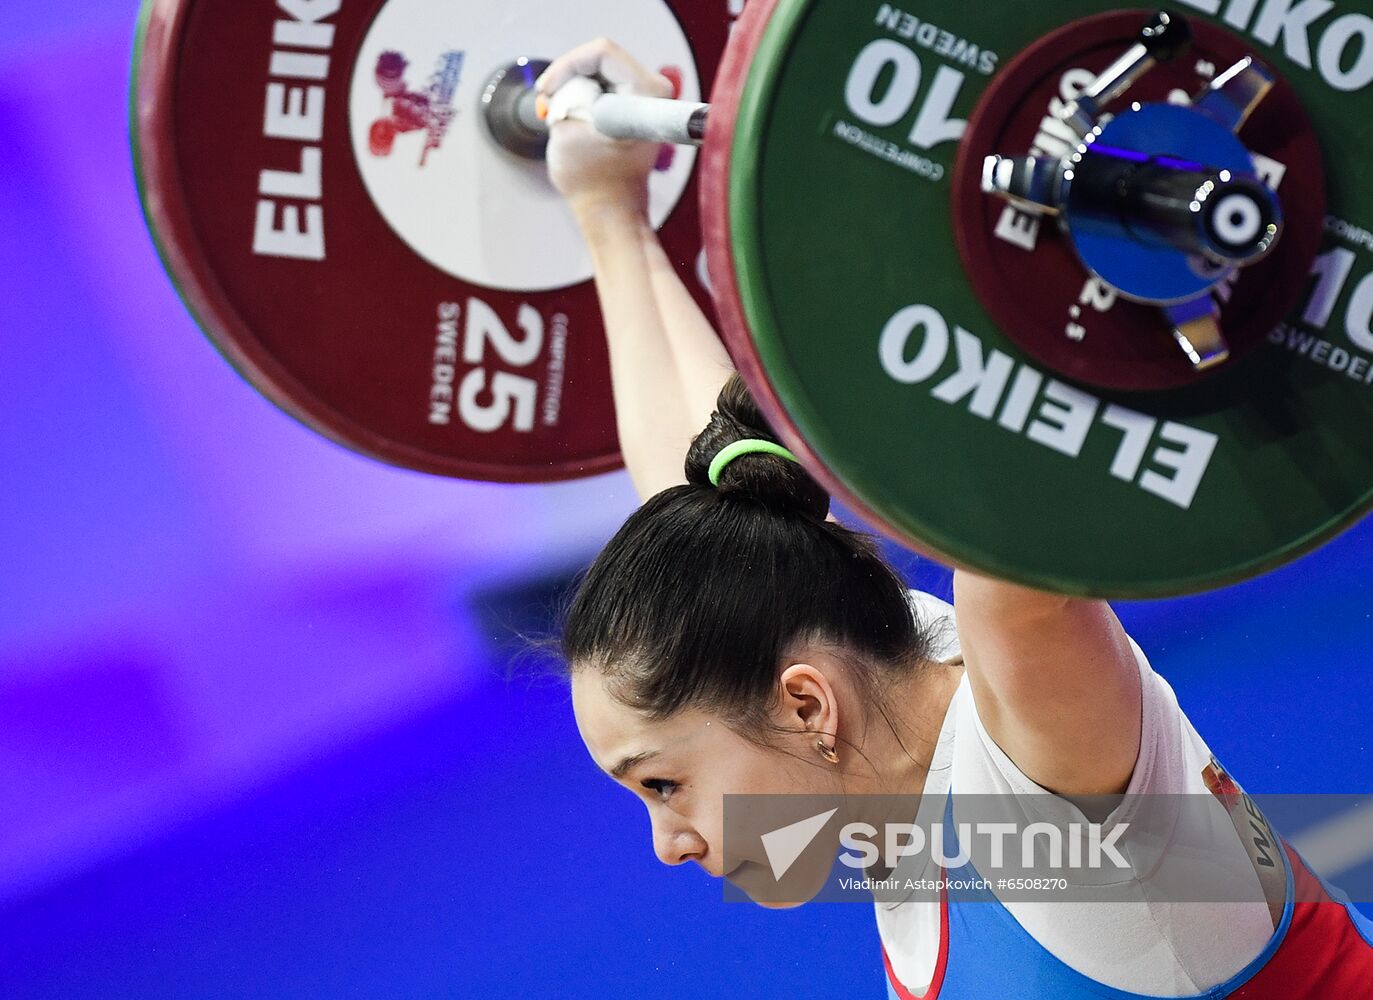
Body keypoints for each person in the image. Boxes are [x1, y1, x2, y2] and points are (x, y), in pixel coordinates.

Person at [534, 38, 1373, 999]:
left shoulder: (1034, 790)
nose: (666, 847)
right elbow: (701, 514)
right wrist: (607, 208)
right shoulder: (893, 687)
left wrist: (1065, 250)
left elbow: (1024, 557)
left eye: (661, 785)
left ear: (806, 705)